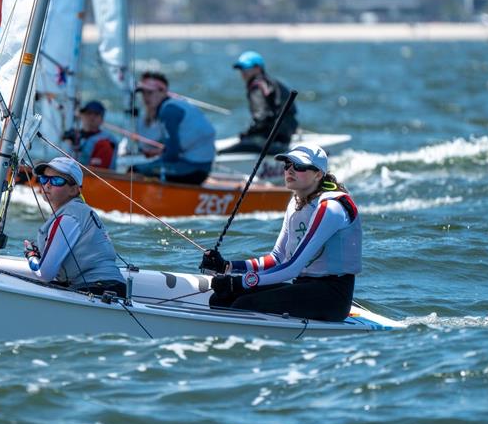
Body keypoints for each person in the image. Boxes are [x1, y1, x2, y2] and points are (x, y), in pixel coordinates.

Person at [200, 143, 361, 322]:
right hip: (304, 287)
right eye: (287, 165)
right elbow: (277, 258)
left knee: (242, 306)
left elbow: (292, 268)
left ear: (318, 174)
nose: (290, 170)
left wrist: (241, 281)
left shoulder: (331, 208)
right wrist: (228, 267)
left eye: (298, 166)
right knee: (221, 299)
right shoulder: (296, 202)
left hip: (331, 297)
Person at [25, 157, 126, 297]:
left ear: (74, 190)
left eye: (56, 181)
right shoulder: (77, 211)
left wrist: (31, 256)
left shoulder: (68, 218)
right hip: (109, 287)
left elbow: (44, 274)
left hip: (97, 289)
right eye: (44, 179)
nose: (47, 185)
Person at [131, 71, 216, 185]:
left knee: (136, 170)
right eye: (143, 93)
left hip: (194, 168)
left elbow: (172, 154)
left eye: (150, 93)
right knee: (146, 167)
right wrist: (159, 153)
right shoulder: (176, 104)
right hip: (197, 165)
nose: (146, 97)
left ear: (163, 92)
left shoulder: (168, 111)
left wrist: (153, 163)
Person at [219, 50, 298, 155]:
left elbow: (261, 117)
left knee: (222, 152)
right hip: (284, 140)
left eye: (246, 68)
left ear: (258, 68)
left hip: (270, 142)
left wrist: (247, 134)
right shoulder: (274, 83)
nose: (243, 72)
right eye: (241, 68)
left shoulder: (257, 87)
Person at [62, 100, 118, 170]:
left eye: (96, 114)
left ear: (102, 119)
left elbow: (97, 172)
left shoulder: (105, 142)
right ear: (82, 115)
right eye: (88, 113)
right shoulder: (71, 136)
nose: (92, 117)